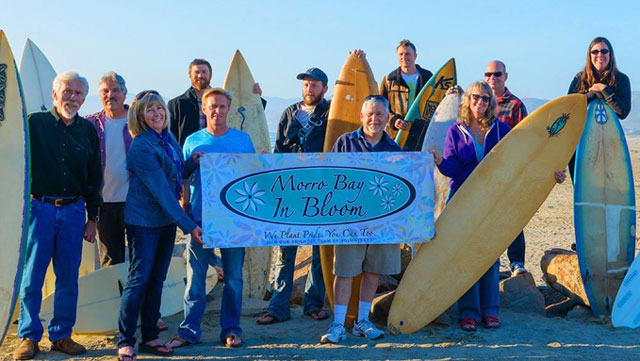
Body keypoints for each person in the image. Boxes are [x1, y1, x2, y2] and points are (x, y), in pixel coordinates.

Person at [430, 81, 566, 332]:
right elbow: (453, 169)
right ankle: (469, 313)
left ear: (491, 103)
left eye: (485, 99)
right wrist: (440, 162)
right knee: (465, 256)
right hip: (463, 200)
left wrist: (552, 172)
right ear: (467, 100)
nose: (480, 102)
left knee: (489, 255)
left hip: (494, 201)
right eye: (475, 97)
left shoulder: (502, 130)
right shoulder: (455, 131)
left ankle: (490, 311)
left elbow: (524, 160)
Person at [14, 72, 102, 360]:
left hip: (75, 210)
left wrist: (93, 217)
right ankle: (28, 336)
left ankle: (62, 335)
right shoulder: (33, 123)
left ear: (83, 98)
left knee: (68, 276)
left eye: (78, 93)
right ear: (55, 94)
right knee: (32, 277)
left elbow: (94, 175)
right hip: (39, 209)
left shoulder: (88, 130)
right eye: (67, 91)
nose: (72, 97)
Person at [116, 91, 203, 361]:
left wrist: (191, 162)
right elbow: (162, 191)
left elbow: (176, 174)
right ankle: (126, 340)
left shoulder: (167, 139)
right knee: (139, 280)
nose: (157, 114)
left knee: (157, 280)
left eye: (160, 109)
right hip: (143, 222)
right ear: (140, 116)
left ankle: (151, 337)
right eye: (150, 110)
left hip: (165, 221)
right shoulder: (141, 145)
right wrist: (189, 226)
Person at [167, 88, 254, 349]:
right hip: (201, 218)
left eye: (222, 106)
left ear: (229, 108)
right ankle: (189, 331)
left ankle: (231, 330)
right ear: (204, 110)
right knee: (195, 277)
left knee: (234, 278)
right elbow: (181, 176)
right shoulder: (193, 140)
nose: (217, 111)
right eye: (212, 107)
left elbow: (253, 176)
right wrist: (184, 205)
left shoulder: (242, 140)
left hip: (234, 220)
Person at [321, 95, 402, 344]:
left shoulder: (394, 149)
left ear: (388, 118)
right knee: (344, 272)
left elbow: (403, 187)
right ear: (361, 116)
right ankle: (338, 324)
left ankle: (362, 322)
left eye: (379, 114)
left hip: (382, 224)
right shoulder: (345, 143)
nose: (374, 118)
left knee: (373, 272)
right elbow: (329, 178)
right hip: (350, 223)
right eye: (370, 114)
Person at [256, 66, 331, 325]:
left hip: (321, 191)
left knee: (319, 252)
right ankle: (277, 307)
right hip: (291, 190)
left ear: (324, 88)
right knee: (286, 249)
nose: (309, 88)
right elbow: (279, 148)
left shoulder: (331, 113)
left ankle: (313, 304)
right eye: (306, 84)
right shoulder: (289, 113)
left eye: (314, 84)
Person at [483, 61, 529, 276]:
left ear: (505, 76)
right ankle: (490, 262)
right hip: (484, 172)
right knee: (486, 217)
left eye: (497, 74)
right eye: (489, 74)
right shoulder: (479, 103)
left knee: (511, 216)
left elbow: (526, 138)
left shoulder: (516, 105)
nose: (493, 78)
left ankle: (517, 262)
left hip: (509, 171)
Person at [567, 36, 632, 180]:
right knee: (584, 191)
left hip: (609, 143)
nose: (599, 55)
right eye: (595, 52)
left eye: (604, 51)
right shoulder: (580, 79)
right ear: (589, 55)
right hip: (581, 144)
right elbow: (570, 109)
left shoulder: (621, 79)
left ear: (610, 54)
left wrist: (604, 89)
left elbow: (622, 112)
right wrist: (593, 94)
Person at [85, 72, 132, 267]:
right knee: (111, 261)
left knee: (141, 257)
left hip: (135, 201)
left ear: (124, 93)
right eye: (105, 91)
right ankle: (117, 297)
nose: (110, 95)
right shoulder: (90, 124)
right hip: (104, 204)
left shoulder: (139, 121)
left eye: (115, 90)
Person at [169, 58, 264, 146]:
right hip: (192, 155)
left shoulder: (223, 100)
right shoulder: (176, 104)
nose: (200, 75)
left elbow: (244, 116)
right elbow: (170, 136)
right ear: (189, 75)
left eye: (204, 72)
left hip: (220, 153)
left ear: (210, 74)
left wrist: (256, 97)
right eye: (196, 72)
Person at [380, 39, 433, 150]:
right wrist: (394, 120)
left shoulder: (428, 77)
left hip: (422, 134)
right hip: (397, 136)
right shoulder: (389, 80)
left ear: (415, 55)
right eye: (401, 54)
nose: (404, 57)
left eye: (408, 53)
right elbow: (381, 107)